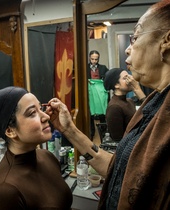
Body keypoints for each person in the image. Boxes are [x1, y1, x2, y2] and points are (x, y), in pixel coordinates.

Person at [46, 1, 170, 209]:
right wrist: (68, 129)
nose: (129, 48)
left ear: (167, 41)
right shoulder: (155, 101)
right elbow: (118, 169)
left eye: (136, 37)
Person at [0, 86, 72, 210]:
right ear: (10, 131)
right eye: (32, 113)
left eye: (41, 109)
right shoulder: (4, 190)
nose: (46, 117)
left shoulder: (47, 156)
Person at [103, 68, 146, 141]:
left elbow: (150, 111)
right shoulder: (114, 107)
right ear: (116, 85)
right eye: (125, 78)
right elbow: (118, 140)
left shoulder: (130, 101)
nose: (130, 80)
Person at [87, 50, 109, 140]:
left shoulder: (103, 68)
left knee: (102, 115)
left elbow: (108, 78)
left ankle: (103, 136)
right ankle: (91, 134)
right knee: (90, 114)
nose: (94, 61)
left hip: (100, 93)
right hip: (90, 93)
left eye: (96, 59)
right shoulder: (85, 68)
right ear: (89, 58)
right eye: (92, 59)